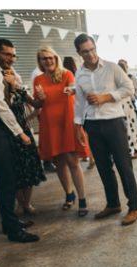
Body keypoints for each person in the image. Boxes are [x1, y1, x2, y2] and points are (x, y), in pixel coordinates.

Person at [72, 34, 137, 225]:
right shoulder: (80, 74)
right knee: (103, 167)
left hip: (113, 122)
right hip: (92, 124)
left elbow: (129, 88)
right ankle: (113, 204)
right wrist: (78, 127)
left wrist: (106, 97)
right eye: (85, 51)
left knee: (123, 166)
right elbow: (78, 103)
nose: (91, 54)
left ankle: (134, 207)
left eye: (92, 49)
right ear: (79, 53)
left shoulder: (112, 67)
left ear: (95, 47)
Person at [0, 38, 39, 242]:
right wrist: (19, 132)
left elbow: (13, 99)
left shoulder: (3, 72)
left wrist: (14, 86)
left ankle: (9, 222)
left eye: (13, 55)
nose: (10, 59)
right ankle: (13, 231)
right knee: (5, 177)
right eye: (6, 54)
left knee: (8, 176)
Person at [32, 46, 88, 217]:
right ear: (40, 61)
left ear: (56, 58)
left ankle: (82, 199)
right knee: (59, 162)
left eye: (50, 57)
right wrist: (39, 100)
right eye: (44, 58)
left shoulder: (66, 74)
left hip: (67, 121)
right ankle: (69, 194)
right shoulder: (38, 79)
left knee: (73, 161)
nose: (48, 61)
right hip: (50, 123)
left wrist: (70, 89)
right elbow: (37, 105)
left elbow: (74, 88)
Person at [3, 60, 46, 218]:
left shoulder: (21, 91)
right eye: (6, 75)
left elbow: (36, 103)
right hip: (9, 132)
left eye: (11, 74)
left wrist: (41, 98)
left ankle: (27, 203)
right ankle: (20, 203)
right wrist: (8, 88)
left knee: (29, 168)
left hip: (24, 130)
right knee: (15, 170)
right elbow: (4, 106)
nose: (9, 77)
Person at [63, 56, 95, 170]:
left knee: (81, 134)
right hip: (84, 107)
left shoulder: (67, 75)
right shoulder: (77, 73)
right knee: (85, 134)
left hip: (75, 108)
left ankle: (89, 156)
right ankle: (90, 157)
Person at [117, 59, 137, 159]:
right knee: (124, 130)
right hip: (120, 107)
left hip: (128, 106)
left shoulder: (130, 78)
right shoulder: (115, 80)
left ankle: (135, 149)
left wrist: (133, 96)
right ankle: (127, 150)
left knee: (131, 128)